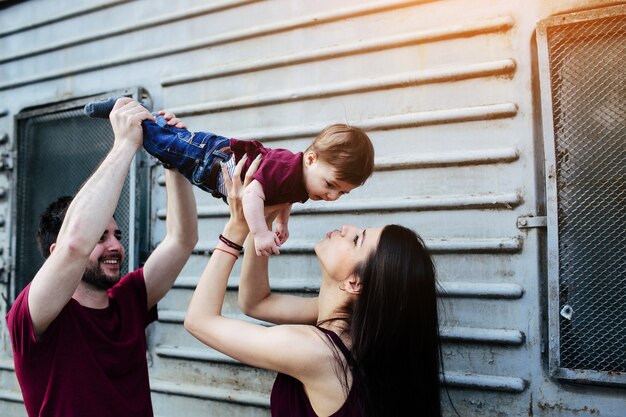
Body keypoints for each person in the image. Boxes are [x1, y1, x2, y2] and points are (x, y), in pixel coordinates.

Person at [184, 157, 443, 416]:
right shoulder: (350, 332)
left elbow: (199, 320)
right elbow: (255, 303)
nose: (346, 227)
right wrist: (259, 223)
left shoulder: (317, 352)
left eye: (356, 240)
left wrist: (236, 227)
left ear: (354, 283)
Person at [5, 98, 198, 417]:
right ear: (54, 255)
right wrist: (124, 144)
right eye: (101, 237)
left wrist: (172, 161)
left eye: (117, 236)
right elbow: (73, 246)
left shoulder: (130, 299)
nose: (115, 247)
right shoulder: (33, 314)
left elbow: (182, 239)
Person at [84, 97, 375, 257]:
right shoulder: (287, 167)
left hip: (209, 169)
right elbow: (252, 194)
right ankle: (124, 107)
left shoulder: (302, 182)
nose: (332, 197)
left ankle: (153, 119)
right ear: (310, 159)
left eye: (342, 193)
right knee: (158, 142)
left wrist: (283, 222)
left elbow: (286, 197)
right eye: (331, 185)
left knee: (167, 145)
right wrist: (260, 233)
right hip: (211, 157)